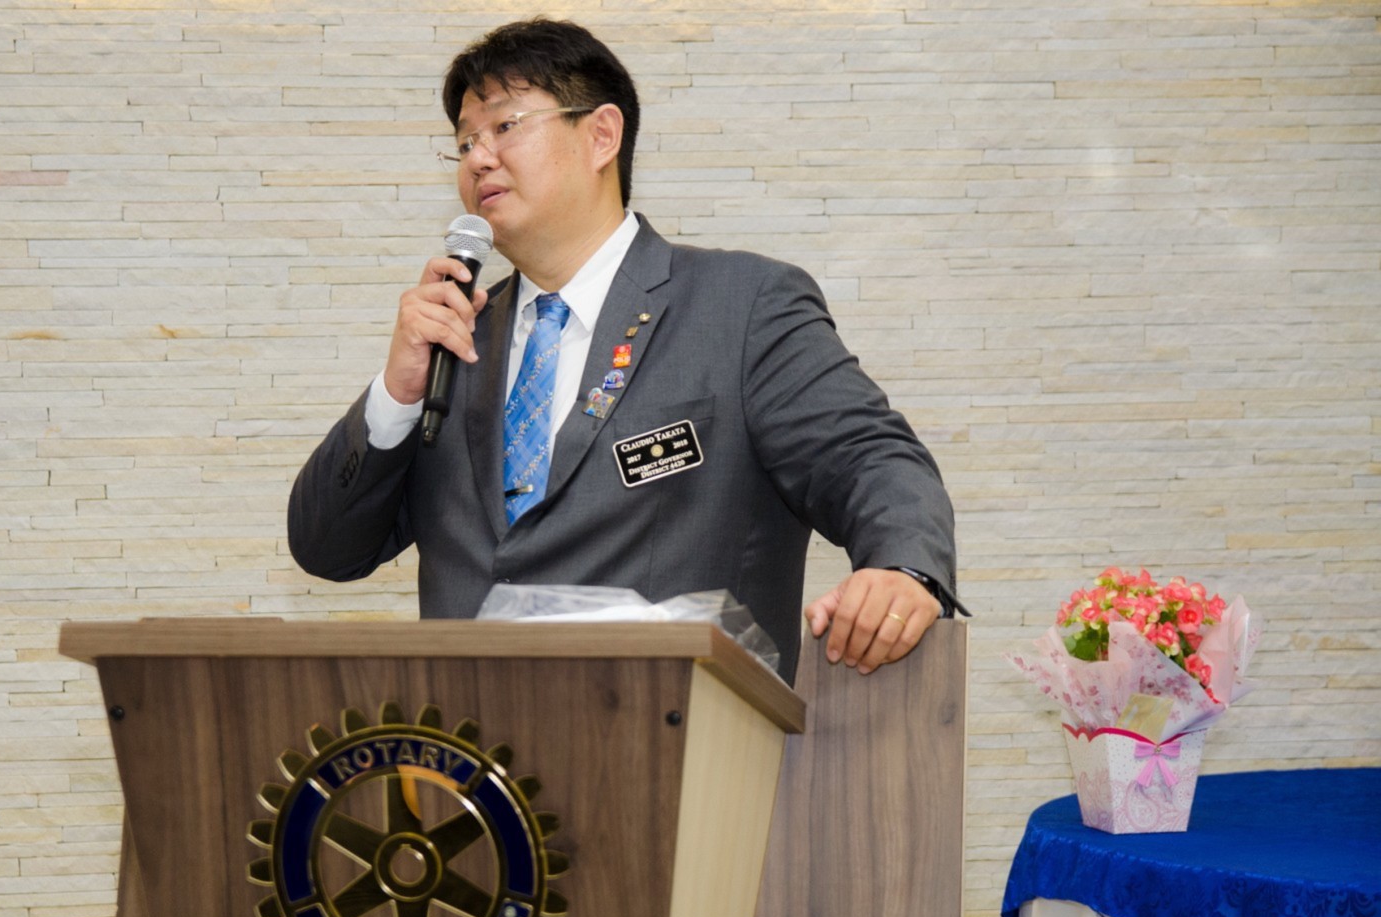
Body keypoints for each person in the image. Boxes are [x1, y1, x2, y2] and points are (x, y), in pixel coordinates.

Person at [289, 18, 963, 683]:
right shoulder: (454, 345)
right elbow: (327, 548)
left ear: (602, 135)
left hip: (677, 732)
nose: (478, 158)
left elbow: (869, 459)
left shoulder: (740, 306)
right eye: (464, 142)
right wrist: (397, 395)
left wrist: (902, 568)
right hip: (470, 746)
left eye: (504, 126)